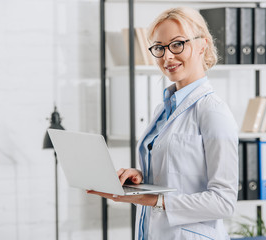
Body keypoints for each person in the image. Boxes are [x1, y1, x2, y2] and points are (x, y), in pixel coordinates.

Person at [87, 6, 238, 240]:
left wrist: (151, 199)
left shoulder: (212, 111)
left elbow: (224, 202)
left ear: (202, 45)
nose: (167, 56)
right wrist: (140, 179)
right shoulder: (164, 109)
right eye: (159, 48)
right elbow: (176, 176)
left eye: (177, 44)